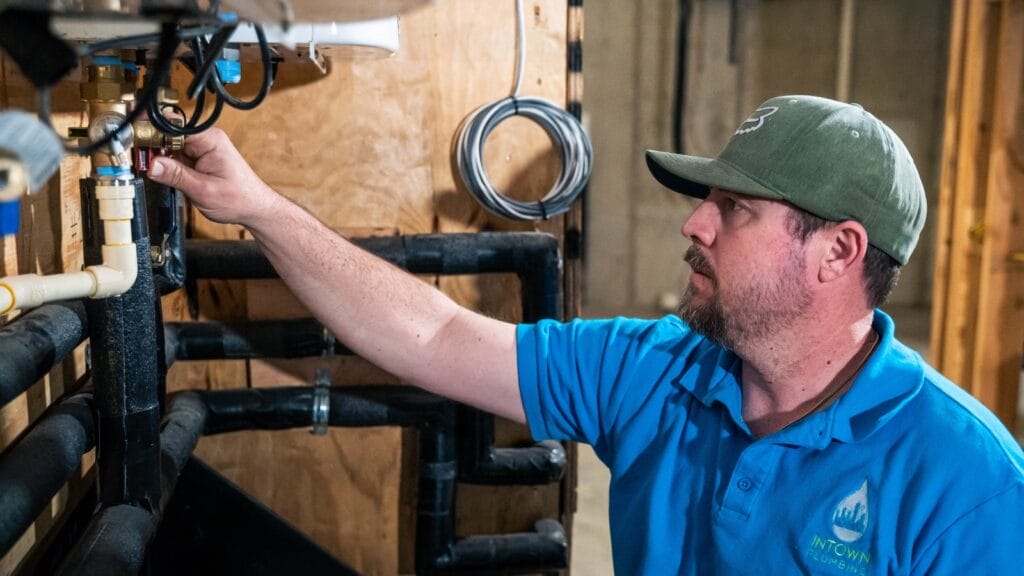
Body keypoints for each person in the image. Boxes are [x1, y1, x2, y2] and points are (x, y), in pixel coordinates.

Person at [148, 94, 1024, 574]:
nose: (695, 226)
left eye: (735, 208)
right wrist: (255, 207)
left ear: (837, 252)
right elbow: (433, 335)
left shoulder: (968, 483)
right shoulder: (658, 370)